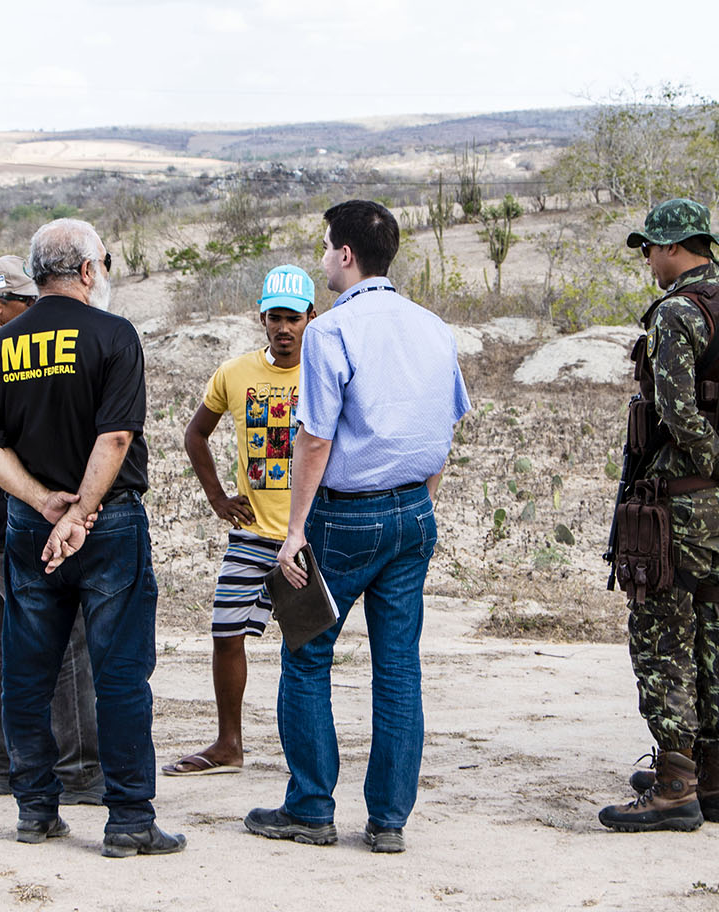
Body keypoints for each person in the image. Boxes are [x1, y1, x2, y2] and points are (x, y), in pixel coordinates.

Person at [244, 200, 470, 855]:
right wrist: (417, 504)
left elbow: (314, 439)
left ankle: (311, 808)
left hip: (346, 516)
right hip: (413, 512)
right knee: (397, 669)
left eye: (324, 248)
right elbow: (444, 424)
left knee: (306, 652)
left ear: (345, 255)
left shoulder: (330, 332)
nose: (321, 260)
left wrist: (294, 531)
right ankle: (389, 820)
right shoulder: (432, 327)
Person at [0, 219, 184, 857]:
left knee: (29, 673)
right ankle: (130, 821)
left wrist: (40, 502)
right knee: (119, 675)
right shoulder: (114, 336)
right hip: (107, 523)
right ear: (88, 271)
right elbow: (115, 436)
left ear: (38, 275)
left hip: (31, 527)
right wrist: (81, 514)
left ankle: (35, 811)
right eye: (104, 263)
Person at [599, 198, 719, 832]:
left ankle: (675, 782)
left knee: (663, 635)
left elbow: (678, 412)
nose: (648, 259)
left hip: (680, 499)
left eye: (650, 248)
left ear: (675, 247)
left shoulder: (679, 312)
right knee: (718, 630)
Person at [0, 255, 104, 803]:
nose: (32, 311)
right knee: (65, 638)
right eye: (23, 302)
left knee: (5, 640)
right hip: (17, 514)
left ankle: (7, 763)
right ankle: (78, 769)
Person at [162, 265, 317, 777]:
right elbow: (195, 435)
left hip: (307, 538)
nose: (283, 328)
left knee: (309, 647)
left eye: (293, 318)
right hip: (252, 535)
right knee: (226, 634)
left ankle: (310, 758)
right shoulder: (234, 373)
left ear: (311, 318)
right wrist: (217, 498)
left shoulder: (325, 371)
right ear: (262, 319)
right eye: (275, 317)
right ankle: (229, 744)